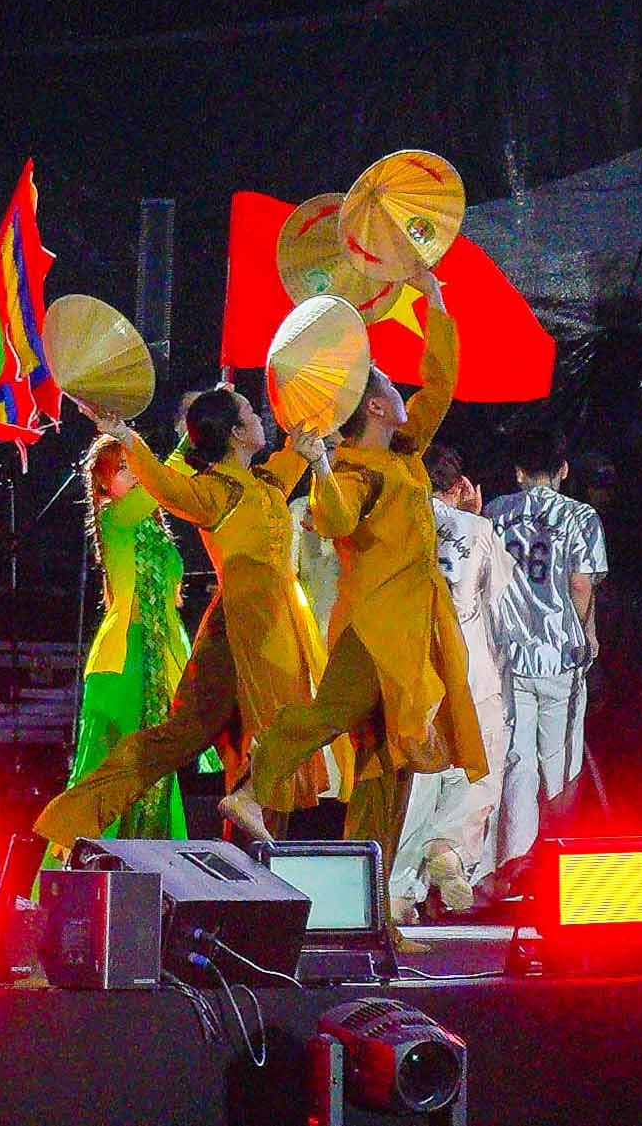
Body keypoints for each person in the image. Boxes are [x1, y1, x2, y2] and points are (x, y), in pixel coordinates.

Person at [227, 294, 487, 888]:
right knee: (333, 713)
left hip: (410, 636)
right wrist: (319, 464)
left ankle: (372, 909)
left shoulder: (404, 453)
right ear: (375, 404)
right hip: (374, 629)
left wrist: (434, 297)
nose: (402, 393)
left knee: (388, 772)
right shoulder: (352, 469)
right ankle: (251, 789)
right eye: (392, 386)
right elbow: (336, 520)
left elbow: (440, 386)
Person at [33, 385, 337, 856]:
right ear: (236, 433)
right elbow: (165, 485)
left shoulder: (261, 481)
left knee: (235, 738)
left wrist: (304, 441)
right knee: (256, 730)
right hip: (246, 625)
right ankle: (73, 817)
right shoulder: (213, 491)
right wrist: (127, 437)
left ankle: (248, 866)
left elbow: (286, 465)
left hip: (263, 625)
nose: (260, 417)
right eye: (251, 412)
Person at [396, 446, 520, 920]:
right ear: (459, 485)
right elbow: (503, 603)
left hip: (415, 667)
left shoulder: (398, 524)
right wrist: (474, 519)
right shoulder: (477, 529)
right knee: (477, 769)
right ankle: (450, 845)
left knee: (417, 780)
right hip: (470, 667)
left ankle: (399, 890)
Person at [486, 426, 606, 877]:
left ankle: (513, 862)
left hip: (508, 654)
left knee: (517, 761)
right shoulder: (581, 516)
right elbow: (581, 583)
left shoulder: (495, 512)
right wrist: (587, 632)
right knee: (560, 759)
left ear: (518, 472)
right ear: (563, 470)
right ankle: (556, 861)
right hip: (560, 653)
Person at [67, 430, 191, 843]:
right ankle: (78, 861)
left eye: (137, 466)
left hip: (156, 656)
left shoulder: (155, 532)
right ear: (104, 485)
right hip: (124, 661)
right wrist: (191, 439)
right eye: (123, 469)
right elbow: (161, 483)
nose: (136, 475)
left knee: (154, 770)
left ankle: (154, 866)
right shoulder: (115, 519)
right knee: (106, 767)